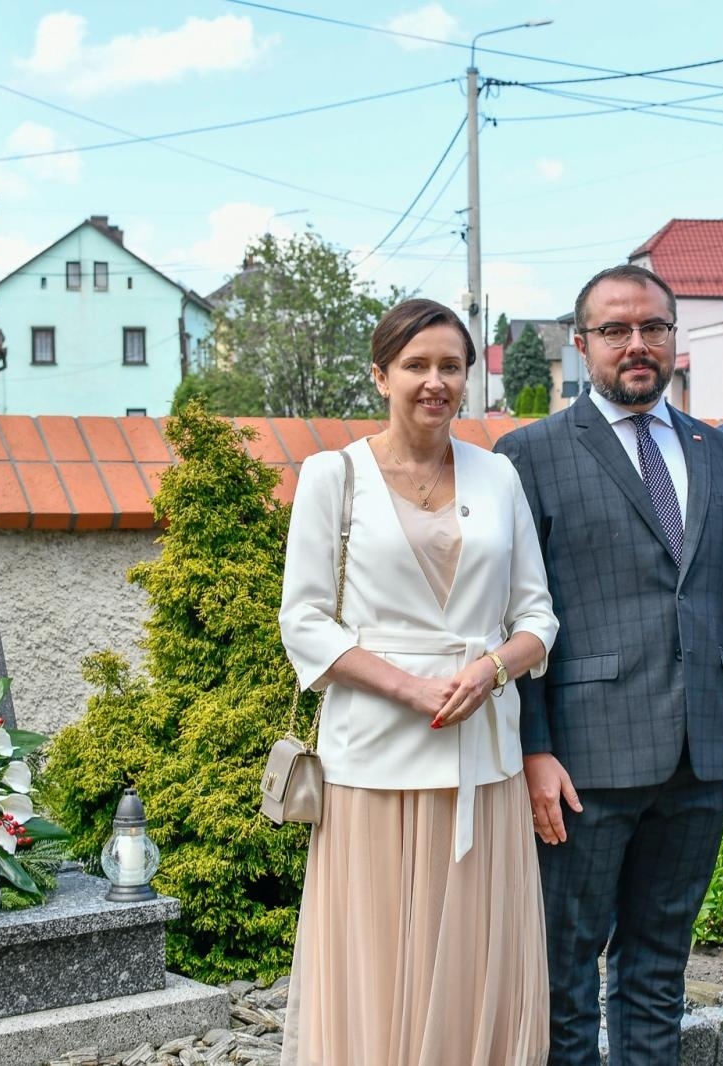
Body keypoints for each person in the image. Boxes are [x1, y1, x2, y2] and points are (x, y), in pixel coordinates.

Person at [495, 264, 723, 1066]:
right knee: (565, 966)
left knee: (660, 965)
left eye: (653, 327)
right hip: (583, 760)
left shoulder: (717, 454)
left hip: (701, 753)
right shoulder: (530, 455)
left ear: (674, 339)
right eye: (616, 330)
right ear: (582, 345)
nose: (637, 344)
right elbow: (516, 615)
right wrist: (533, 749)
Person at [278, 297, 559, 1066]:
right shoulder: (332, 475)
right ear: (380, 375)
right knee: (378, 961)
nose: (435, 382)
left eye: (451, 366)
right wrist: (410, 688)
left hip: (484, 762)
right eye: (416, 365)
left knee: (475, 961)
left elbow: (539, 616)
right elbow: (303, 622)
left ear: (469, 377)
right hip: (374, 759)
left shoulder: (497, 474)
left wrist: (492, 666)